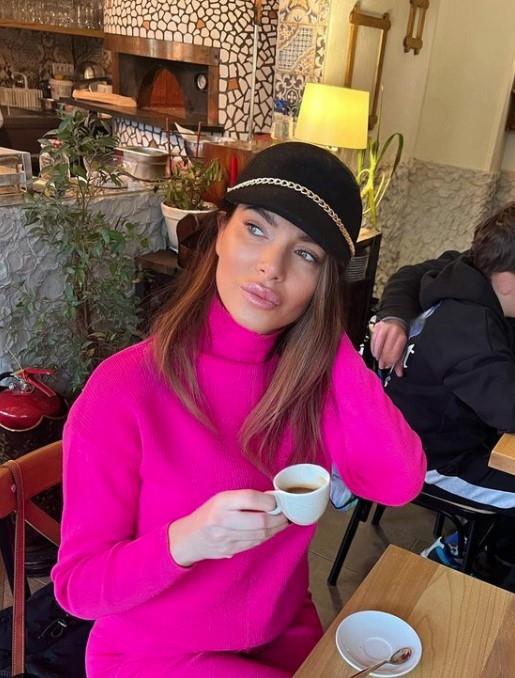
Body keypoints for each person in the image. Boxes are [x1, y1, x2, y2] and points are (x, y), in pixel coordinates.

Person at [51, 142, 426, 678]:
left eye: (306, 255)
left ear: (323, 284)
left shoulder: (311, 385)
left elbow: (398, 482)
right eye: (256, 229)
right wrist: (188, 540)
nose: (271, 267)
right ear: (220, 234)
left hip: (285, 637)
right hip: (157, 656)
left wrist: (331, 341)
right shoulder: (124, 389)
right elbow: (77, 589)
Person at [371, 203, 515, 519]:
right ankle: (474, 545)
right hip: (428, 460)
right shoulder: (474, 335)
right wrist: (393, 316)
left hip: (437, 430)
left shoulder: (467, 268)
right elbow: (509, 411)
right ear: (505, 280)